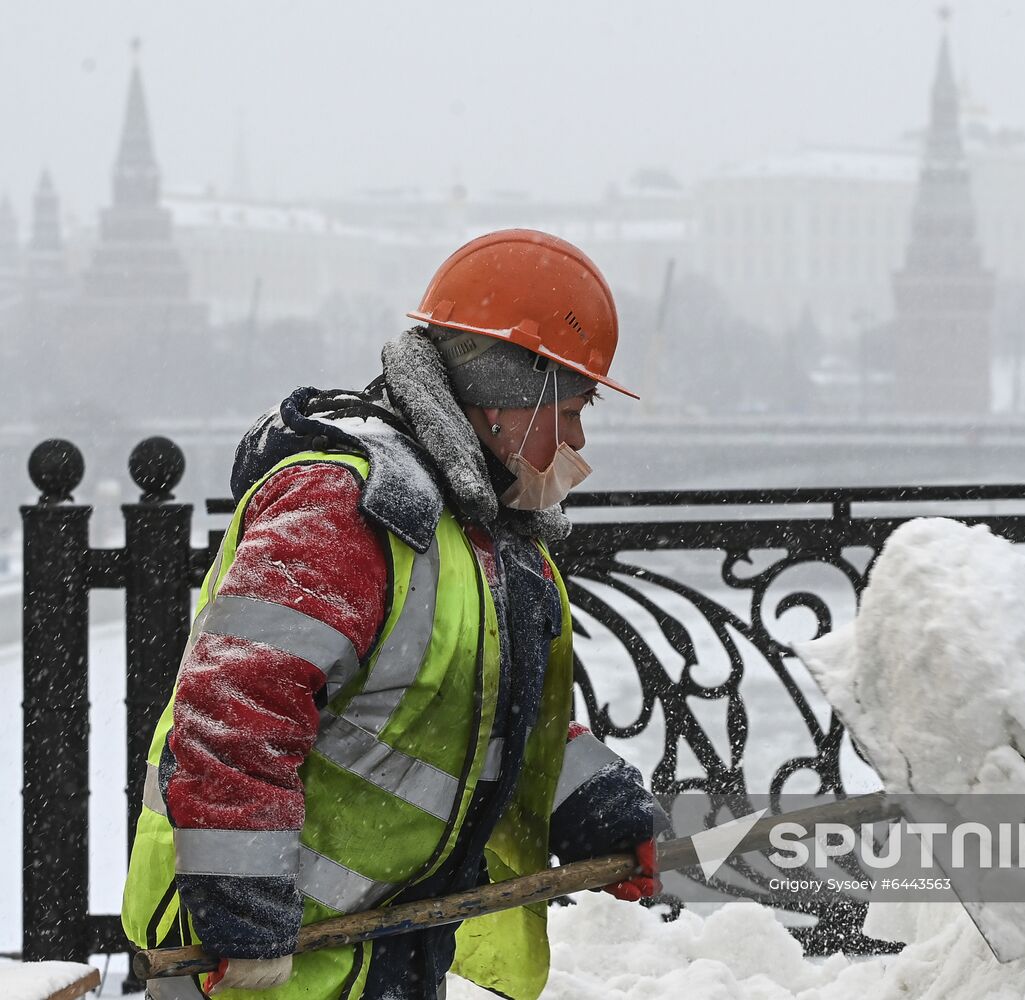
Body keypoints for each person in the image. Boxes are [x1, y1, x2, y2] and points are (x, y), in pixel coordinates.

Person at [122, 229, 667, 1000]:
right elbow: (233, 710)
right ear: (513, 389)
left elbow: (476, 717)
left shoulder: (485, 530)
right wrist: (240, 914)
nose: (577, 440)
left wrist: (596, 808)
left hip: (381, 955)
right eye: (573, 409)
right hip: (257, 970)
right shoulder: (346, 507)